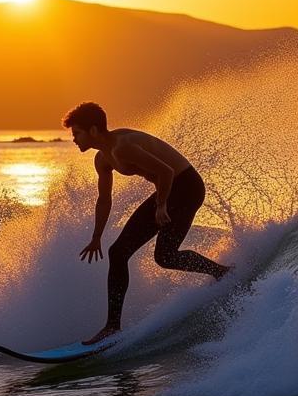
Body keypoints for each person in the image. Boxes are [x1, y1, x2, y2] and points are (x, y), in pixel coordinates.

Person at [64, 101, 229, 345]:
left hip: (187, 186)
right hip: (170, 190)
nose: (74, 139)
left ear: (94, 130)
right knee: (118, 252)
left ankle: (223, 273)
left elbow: (166, 172)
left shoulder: (123, 147)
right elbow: (104, 200)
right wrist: (96, 236)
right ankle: (112, 327)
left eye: (77, 132)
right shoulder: (102, 159)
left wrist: (161, 206)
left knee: (164, 256)